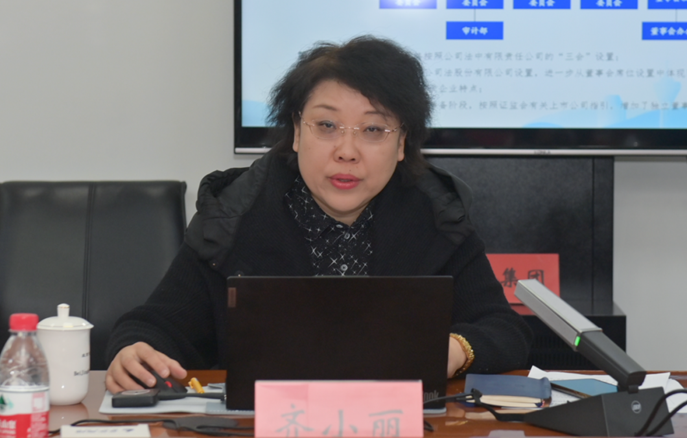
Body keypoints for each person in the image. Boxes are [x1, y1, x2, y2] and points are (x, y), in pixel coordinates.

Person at [105, 35, 532, 393]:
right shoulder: (233, 217)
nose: (346, 151)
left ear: (402, 144)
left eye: (373, 129)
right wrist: (133, 350)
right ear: (296, 131)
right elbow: (157, 326)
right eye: (327, 126)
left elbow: (504, 330)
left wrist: (454, 350)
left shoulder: (436, 218)